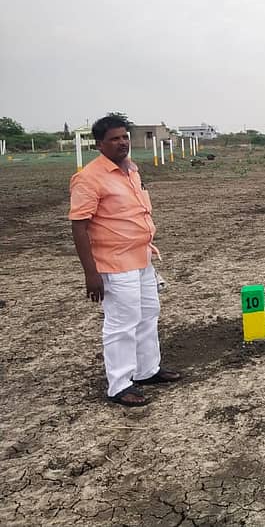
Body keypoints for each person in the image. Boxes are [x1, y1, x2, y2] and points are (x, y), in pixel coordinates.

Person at [70, 115, 181, 407]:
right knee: (122, 322)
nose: (122, 143)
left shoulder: (131, 169)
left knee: (148, 313)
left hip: (142, 256)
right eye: (114, 139)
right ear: (99, 144)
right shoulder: (89, 178)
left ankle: (147, 370)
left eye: (125, 137)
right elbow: (79, 226)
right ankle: (119, 384)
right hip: (114, 263)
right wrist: (90, 274)